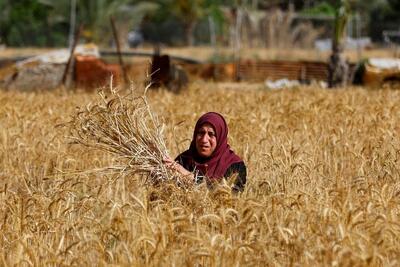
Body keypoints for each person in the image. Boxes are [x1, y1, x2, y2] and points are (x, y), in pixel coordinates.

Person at [164, 112, 246, 193]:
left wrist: (189, 176)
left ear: (220, 137)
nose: (204, 140)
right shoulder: (183, 160)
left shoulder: (235, 166)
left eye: (211, 134)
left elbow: (228, 198)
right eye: (201, 133)